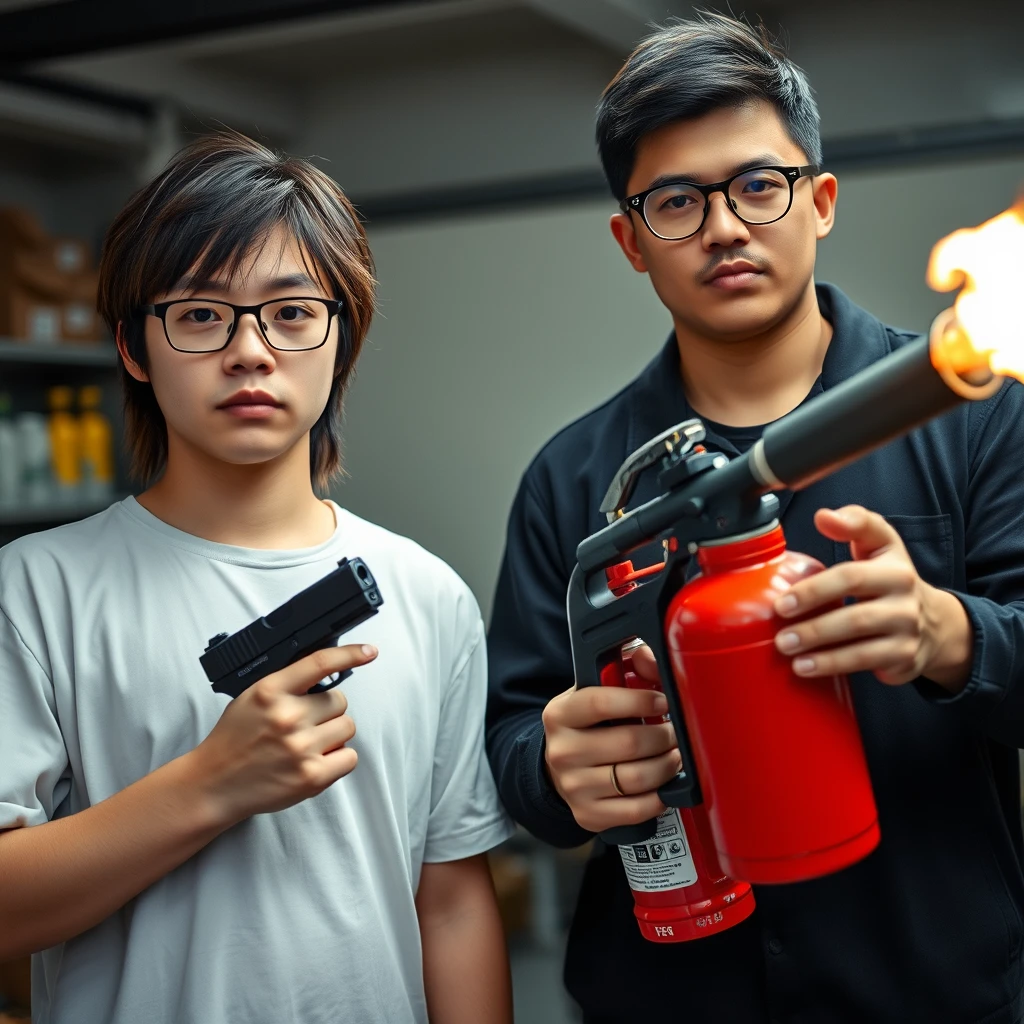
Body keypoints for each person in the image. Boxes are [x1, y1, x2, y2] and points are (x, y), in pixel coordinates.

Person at [486, 13, 1024, 1024]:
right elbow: (514, 745)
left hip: (930, 987)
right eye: (676, 202)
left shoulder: (974, 409)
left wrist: (947, 633)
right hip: (671, 996)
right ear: (630, 241)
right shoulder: (574, 478)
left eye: (757, 186)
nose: (725, 226)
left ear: (817, 202)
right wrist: (558, 769)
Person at [0, 132, 515, 1024]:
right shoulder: (35, 590)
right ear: (133, 347)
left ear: (339, 337)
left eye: (290, 312)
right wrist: (212, 784)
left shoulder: (429, 595)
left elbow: (453, 902)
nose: (250, 352)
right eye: (200, 314)